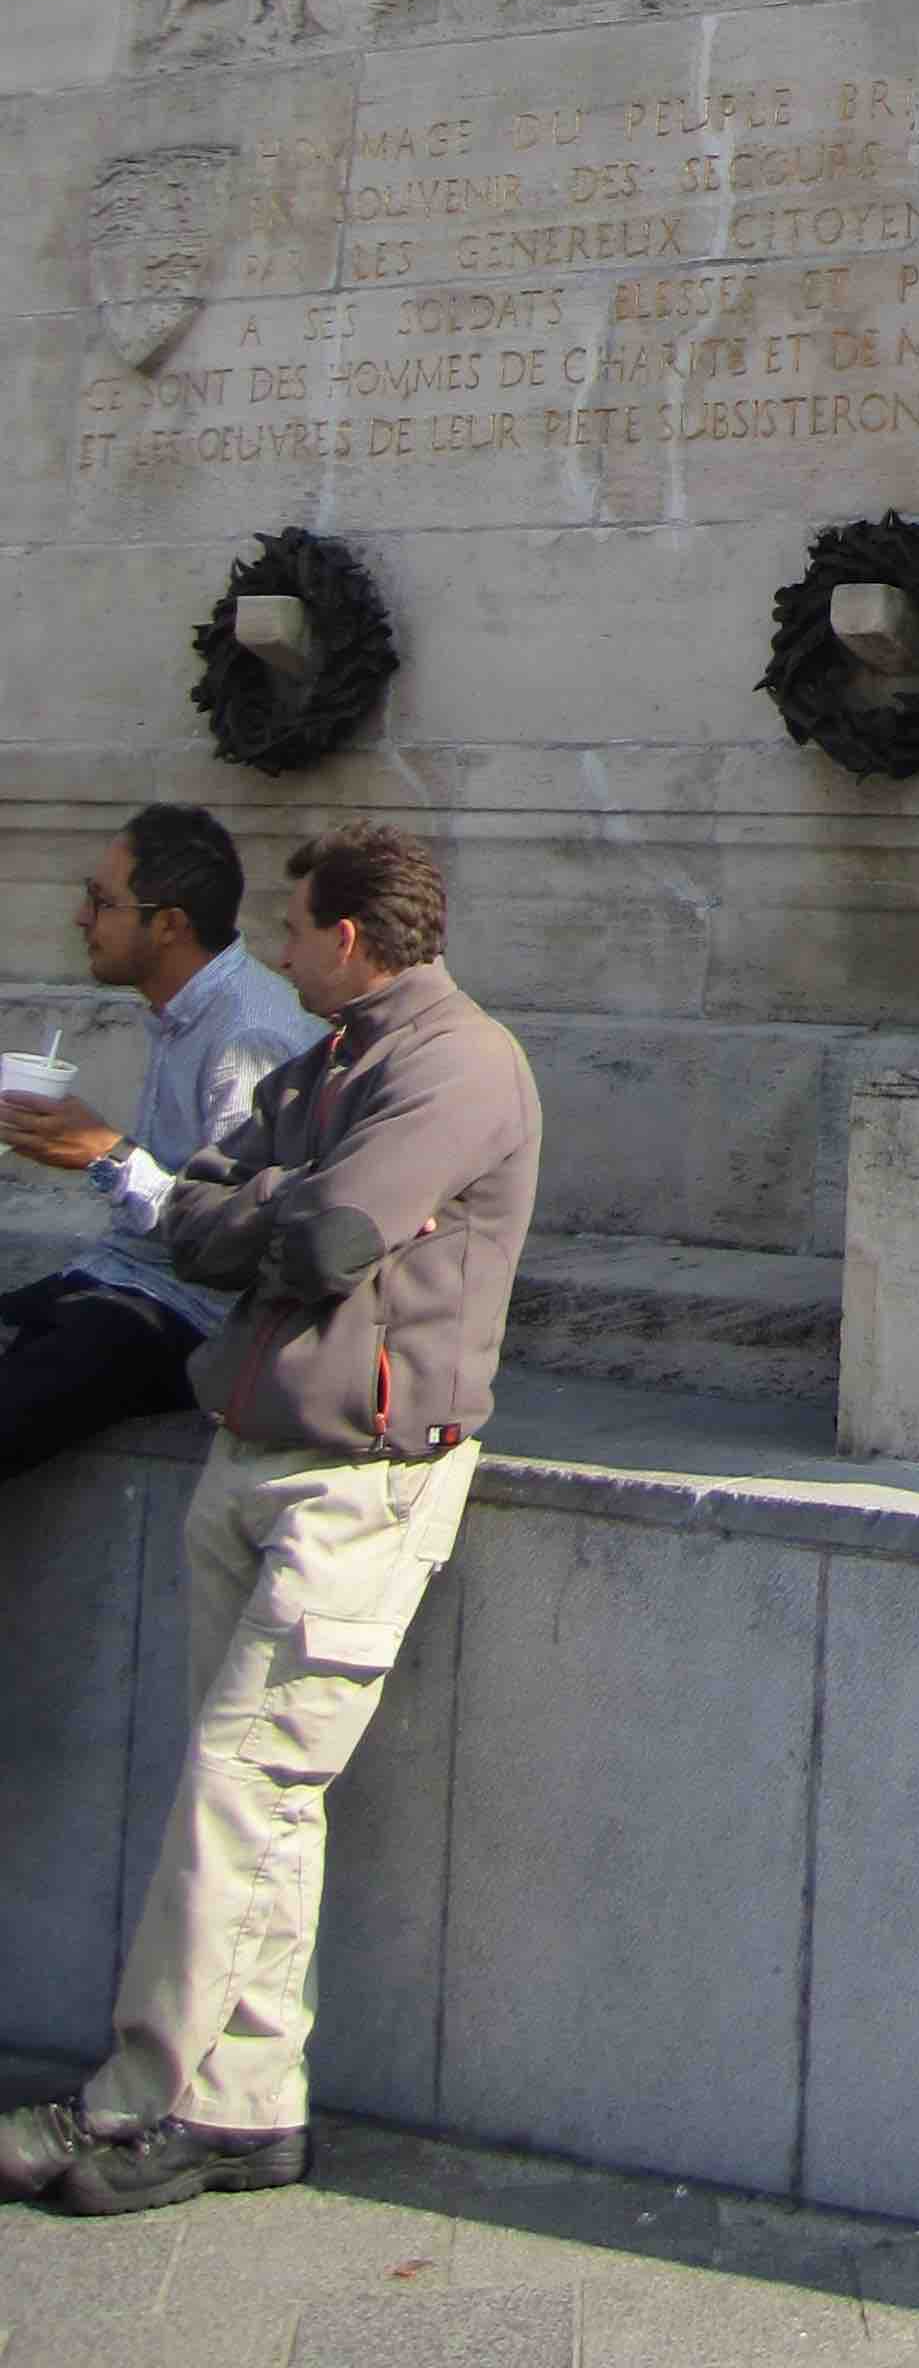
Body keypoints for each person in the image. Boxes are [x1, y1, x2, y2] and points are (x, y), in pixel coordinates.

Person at [0, 822, 541, 2218]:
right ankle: (245, 2111)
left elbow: (322, 1240)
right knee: (256, 1808)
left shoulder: (458, 1064)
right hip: (255, 1449)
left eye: (292, 929)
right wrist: (254, 1201)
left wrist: (259, 1203)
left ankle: (141, 2102)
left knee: (239, 1793)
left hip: (359, 1479)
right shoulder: (330, 1060)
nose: (277, 952)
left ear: (347, 939)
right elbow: (195, 1201)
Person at [0, 808, 313, 1479]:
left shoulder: (248, 1037)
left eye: (101, 901)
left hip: (194, 1316)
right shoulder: (183, 1011)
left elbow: (233, 1239)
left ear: (169, 924)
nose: (81, 919)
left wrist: (106, 1156)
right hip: (126, 1276)